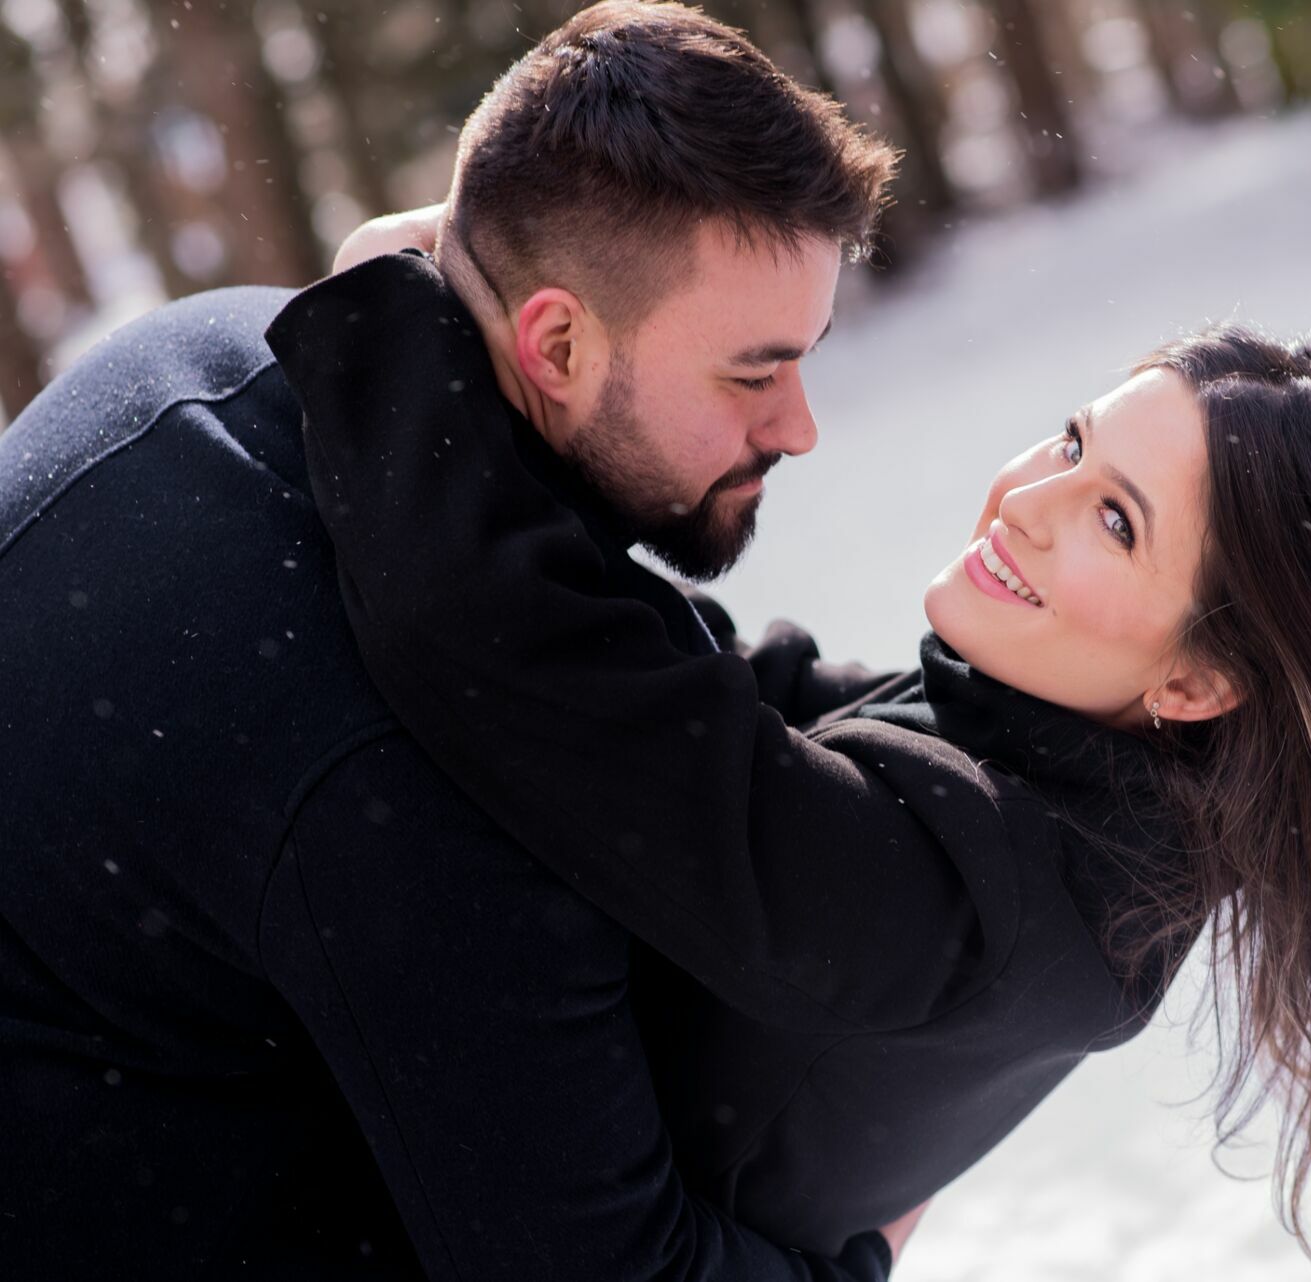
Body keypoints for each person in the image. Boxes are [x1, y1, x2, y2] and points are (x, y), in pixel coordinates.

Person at [285, 245, 1311, 1278]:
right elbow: (710, 696)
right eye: (1074, 440)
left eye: (1116, 520)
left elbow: (516, 665)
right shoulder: (1072, 782)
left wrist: (394, 309)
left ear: (1200, 677)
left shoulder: (993, 889)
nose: (1026, 498)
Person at [0, 4, 916, 1278]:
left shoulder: (223, 349)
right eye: (753, 374)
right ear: (554, 341)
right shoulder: (411, 761)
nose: (799, 425)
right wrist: (852, 1246)